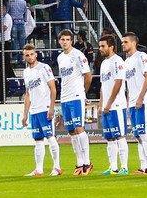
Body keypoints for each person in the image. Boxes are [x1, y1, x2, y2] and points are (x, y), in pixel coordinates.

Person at [56, 29, 93, 176]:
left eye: (67, 39)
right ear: (59, 41)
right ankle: (79, 163)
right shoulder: (60, 58)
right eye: (62, 40)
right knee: (71, 131)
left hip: (76, 96)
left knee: (79, 128)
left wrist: (82, 92)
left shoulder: (78, 55)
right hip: (64, 97)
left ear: (71, 41)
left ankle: (87, 162)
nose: (64, 42)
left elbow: (88, 76)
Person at [21, 44, 61, 177]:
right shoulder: (26, 72)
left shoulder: (44, 68)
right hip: (34, 111)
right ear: (24, 56)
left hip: (44, 108)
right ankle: (39, 169)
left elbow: (53, 88)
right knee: (38, 139)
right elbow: (28, 94)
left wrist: (51, 107)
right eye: (27, 55)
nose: (30, 57)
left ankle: (57, 167)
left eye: (32, 54)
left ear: (36, 54)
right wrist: (25, 114)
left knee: (50, 137)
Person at [96, 34, 129, 176]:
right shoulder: (104, 64)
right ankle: (113, 167)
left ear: (111, 47)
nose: (100, 49)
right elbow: (104, 86)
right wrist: (101, 103)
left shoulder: (118, 61)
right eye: (99, 46)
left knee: (120, 136)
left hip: (116, 106)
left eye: (103, 46)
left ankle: (124, 167)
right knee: (109, 137)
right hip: (107, 107)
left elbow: (118, 82)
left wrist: (109, 103)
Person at [122, 32, 147, 174]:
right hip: (133, 103)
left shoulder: (142, 56)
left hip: (144, 101)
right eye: (123, 42)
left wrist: (141, 97)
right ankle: (143, 166)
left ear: (134, 43)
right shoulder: (126, 62)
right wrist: (130, 101)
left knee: (143, 133)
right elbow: (129, 85)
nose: (123, 44)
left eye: (126, 42)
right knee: (137, 135)